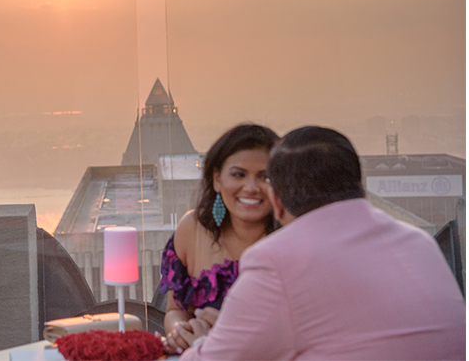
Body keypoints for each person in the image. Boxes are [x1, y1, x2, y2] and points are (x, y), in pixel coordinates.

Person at [178, 126, 466, 360]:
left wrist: (206, 340)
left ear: (277, 201)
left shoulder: (277, 259)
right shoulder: (419, 242)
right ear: (356, 183)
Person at [159, 124, 280, 355]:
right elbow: (175, 310)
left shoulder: (293, 240)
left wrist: (219, 336)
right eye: (238, 174)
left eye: (265, 176)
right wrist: (181, 332)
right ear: (217, 179)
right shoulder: (192, 230)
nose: (251, 188)